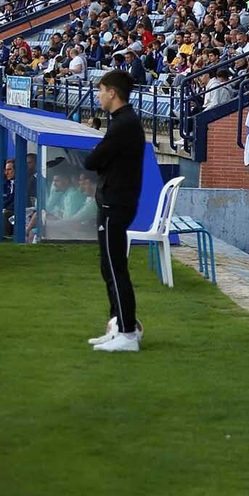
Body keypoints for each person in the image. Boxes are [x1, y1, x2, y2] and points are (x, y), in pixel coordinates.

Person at [85, 70, 147, 352]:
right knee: (108, 266)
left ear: (112, 92)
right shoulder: (122, 122)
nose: (98, 95)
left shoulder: (125, 125)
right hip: (113, 200)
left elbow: (94, 159)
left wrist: (98, 158)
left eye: (101, 90)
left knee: (115, 267)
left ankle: (127, 334)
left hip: (116, 202)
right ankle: (118, 324)